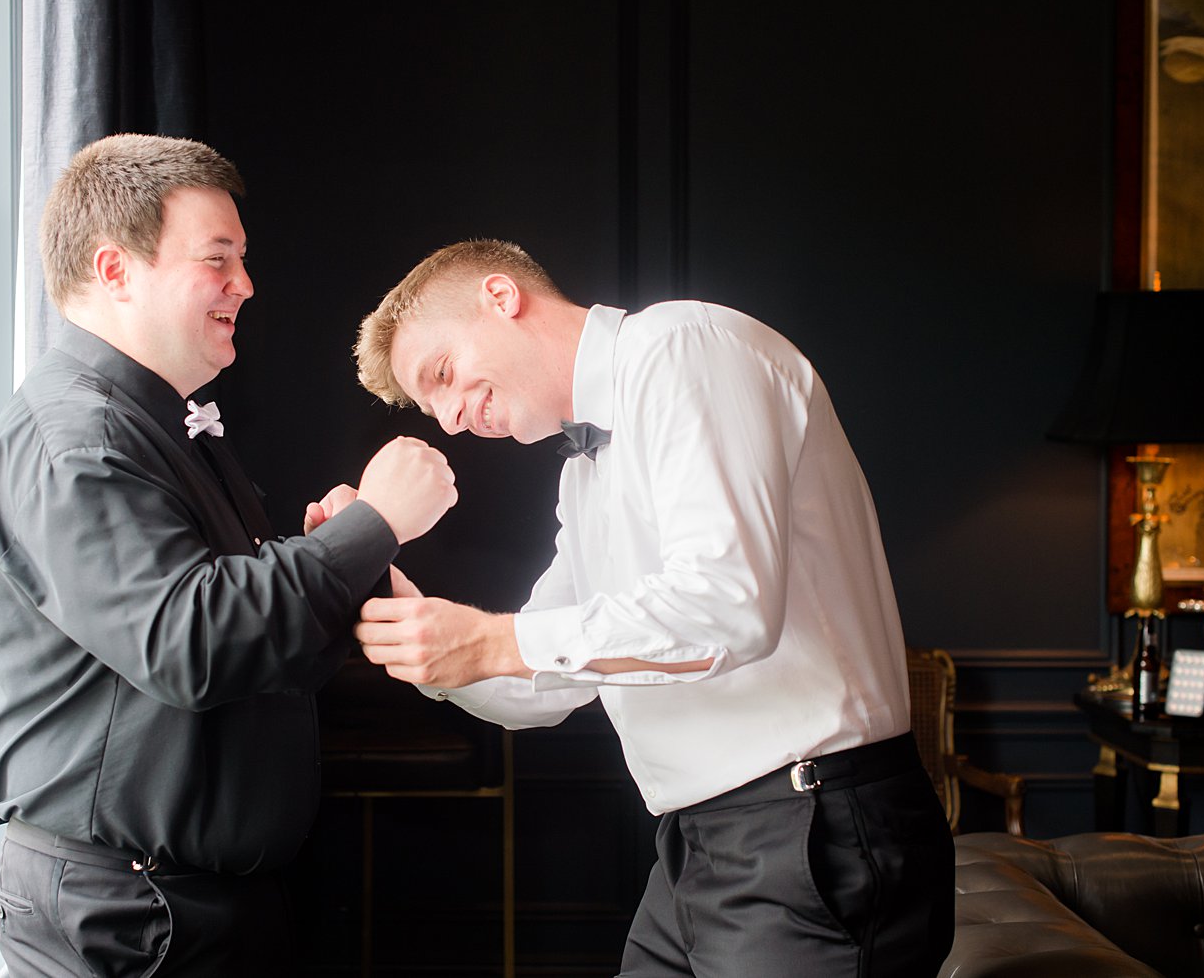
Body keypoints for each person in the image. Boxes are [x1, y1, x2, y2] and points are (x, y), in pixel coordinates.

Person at [341, 239, 954, 977]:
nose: (449, 419)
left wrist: (487, 643)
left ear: (501, 299)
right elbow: (544, 681)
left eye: (442, 375)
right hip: (702, 845)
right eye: (429, 404)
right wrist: (417, 633)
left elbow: (726, 607)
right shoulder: (581, 477)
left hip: (810, 830)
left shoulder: (684, 347)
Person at [0, 133, 457, 976]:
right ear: (115, 270)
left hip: (183, 907)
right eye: (217, 259)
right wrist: (374, 521)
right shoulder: (76, 443)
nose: (245, 284)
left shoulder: (156, 423)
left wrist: (329, 552)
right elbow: (188, 640)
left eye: (243, 258)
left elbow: (241, 638)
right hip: (127, 921)